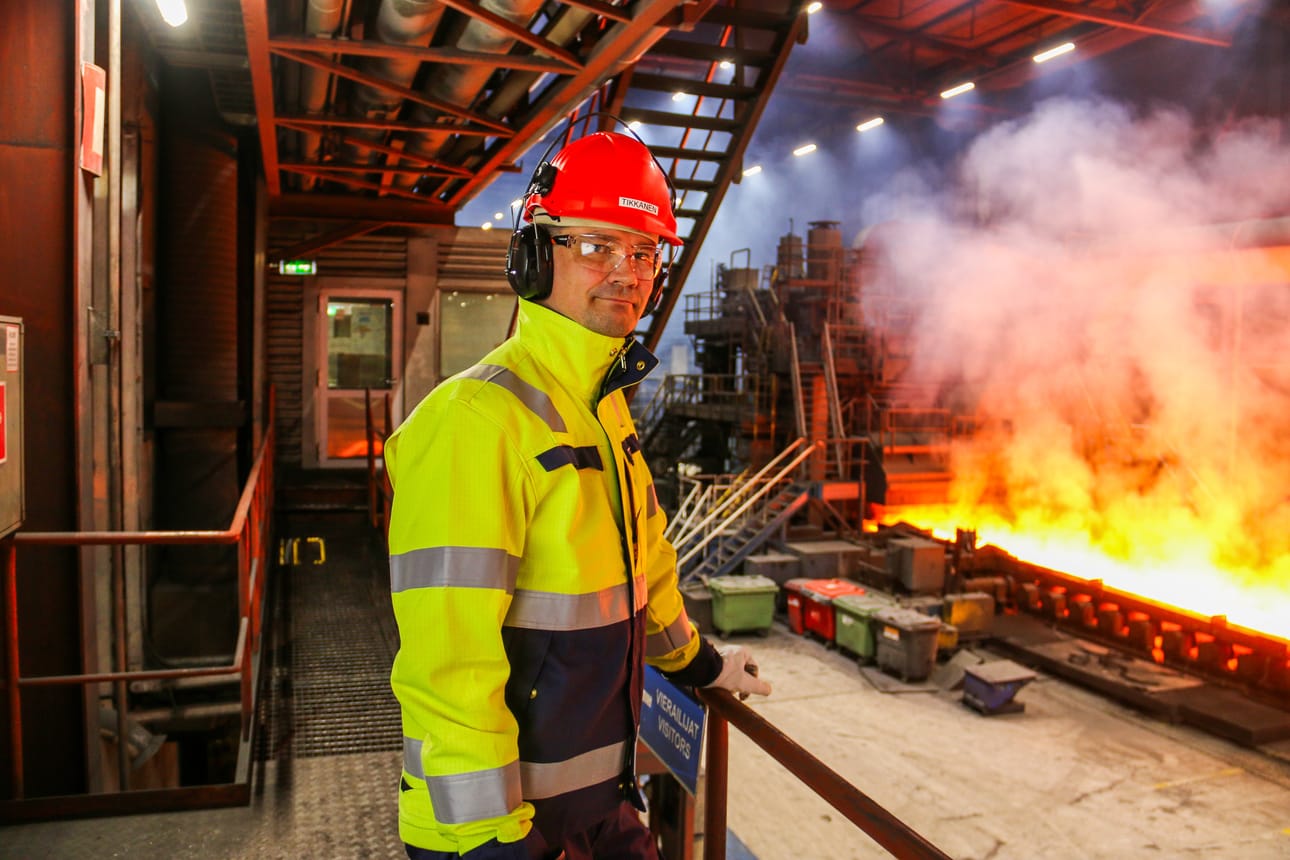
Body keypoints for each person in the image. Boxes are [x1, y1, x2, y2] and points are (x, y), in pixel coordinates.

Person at [384, 130, 773, 860]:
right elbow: (449, 665)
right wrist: (490, 839)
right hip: (503, 829)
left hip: (597, 803)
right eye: (597, 245)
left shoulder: (603, 407)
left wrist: (697, 663)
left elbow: (644, 567)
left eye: (645, 251)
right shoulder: (474, 422)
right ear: (534, 254)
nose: (627, 272)